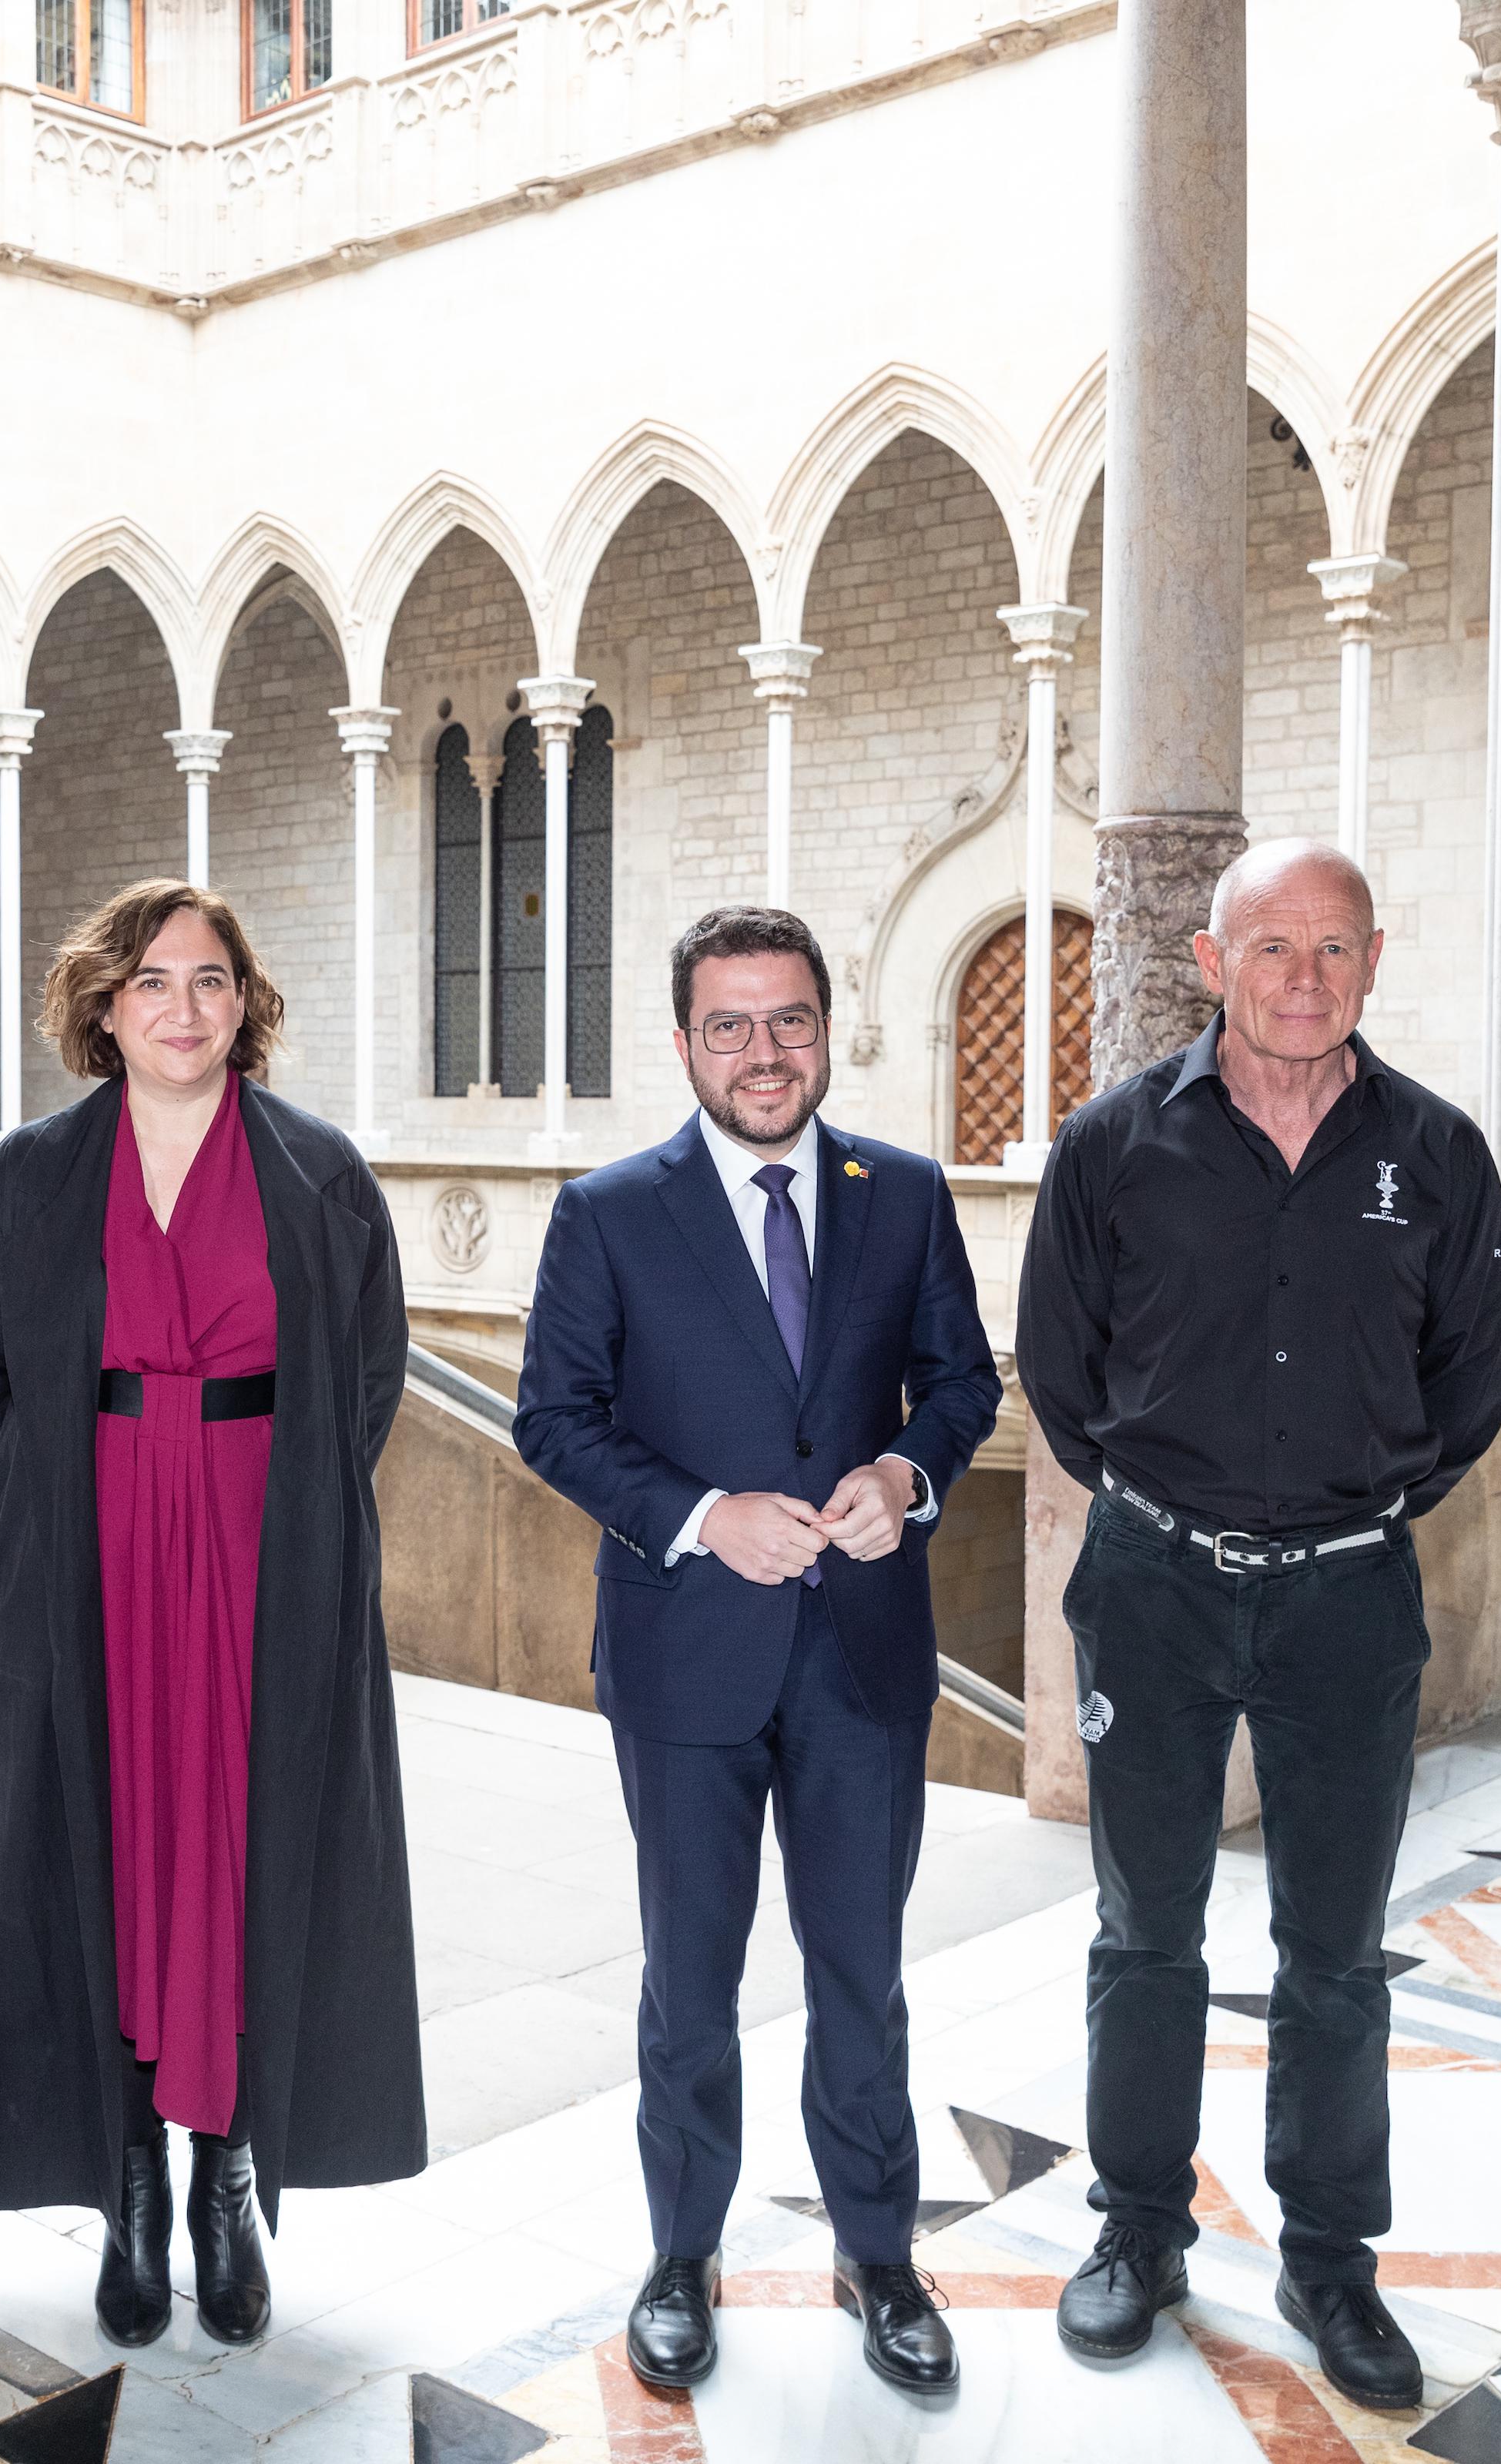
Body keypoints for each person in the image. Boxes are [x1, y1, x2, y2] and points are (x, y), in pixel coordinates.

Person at [1015, 839, 1501, 2413]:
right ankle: (1138, 2231)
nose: (1305, 976)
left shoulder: (1438, 1155)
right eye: (1272, 947)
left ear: (1374, 963)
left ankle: (1329, 2254)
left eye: (1335, 948)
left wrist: (1341, 1511)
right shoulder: (1112, 1146)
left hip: (1349, 1598)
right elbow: (1062, 1370)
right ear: (1211, 964)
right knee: (1144, 1931)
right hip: (1156, 1586)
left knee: (1336, 1955)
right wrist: (1189, 1506)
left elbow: (1470, 1388)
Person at [514, 904, 1000, 2397]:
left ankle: (881, 2254)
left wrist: (906, 1476)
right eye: (729, 1024)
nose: (762, 1051)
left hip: (861, 1656)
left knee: (862, 1975)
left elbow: (962, 1383)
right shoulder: (608, 1211)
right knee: (691, 1982)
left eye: (787, 1018)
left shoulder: (904, 1194)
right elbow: (556, 1419)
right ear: (683, 1044)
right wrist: (703, 1515)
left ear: (827, 1029)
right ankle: (681, 2256)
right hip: (686, 1663)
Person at [0, 878, 422, 2351]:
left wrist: (277, 1521)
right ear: (104, 1005)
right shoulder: (25, 1175)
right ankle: (130, 2183)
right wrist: (75, 1517)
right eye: (152, 981)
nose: (184, 1007)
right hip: (87, 1558)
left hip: (265, 1552)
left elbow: (369, 1381)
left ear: (245, 1003)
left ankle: (230, 2174)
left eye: (211, 981)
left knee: (241, 1843)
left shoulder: (322, 1173)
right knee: (116, 1844)